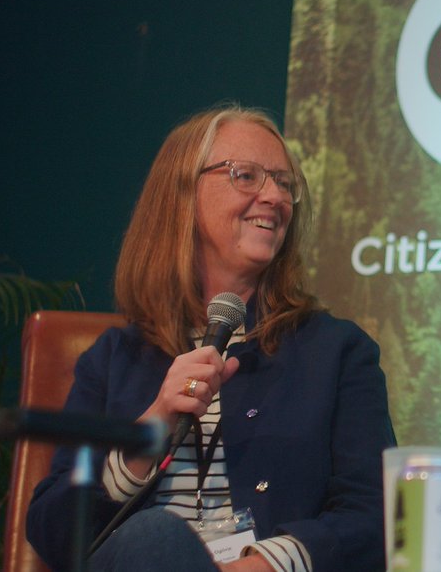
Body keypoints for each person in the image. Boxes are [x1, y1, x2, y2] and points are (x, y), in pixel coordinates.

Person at [27, 106, 396, 571]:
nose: (274, 197)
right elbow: (52, 532)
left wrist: (267, 562)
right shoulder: (114, 358)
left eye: (284, 183)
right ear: (181, 196)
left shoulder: (338, 352)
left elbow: (375, 512)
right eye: (247, 176)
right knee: (155, 537)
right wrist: (149, 432)